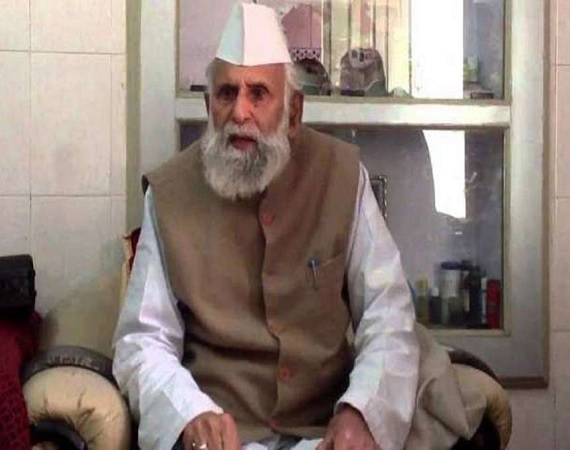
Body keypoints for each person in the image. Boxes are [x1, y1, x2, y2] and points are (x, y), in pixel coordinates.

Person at [113, 3, 419, 450]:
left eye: (258, 94)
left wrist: (361, 412)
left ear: (293, 113)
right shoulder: (169, 193)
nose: (240, 112)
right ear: (208, 106)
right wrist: (188, 413)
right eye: (226, 93)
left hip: (325, 436)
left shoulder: (340, 176)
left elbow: (387, 312)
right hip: (222, 440)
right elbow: (143, 339)